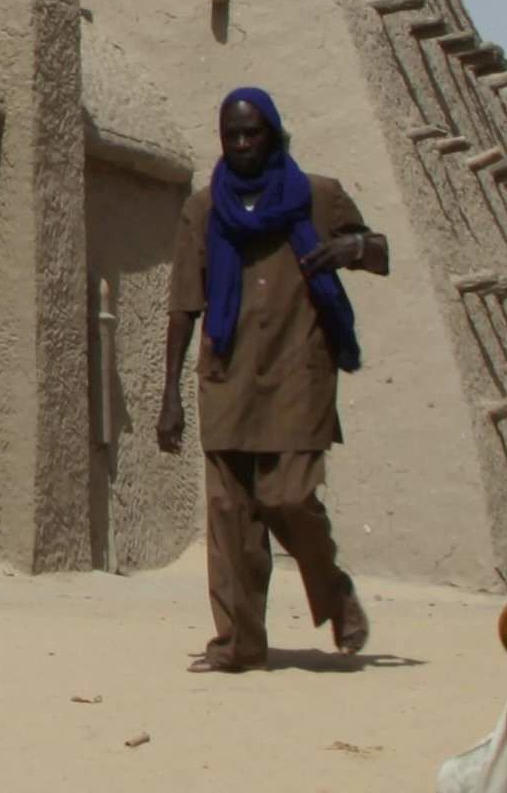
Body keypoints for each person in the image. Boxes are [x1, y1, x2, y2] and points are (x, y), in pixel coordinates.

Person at [152, 85, 389, 670]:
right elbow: (185, 302)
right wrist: (170, 395)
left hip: (297, 373)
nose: (240, 144)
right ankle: (239, 644)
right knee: (231, 515)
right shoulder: (205, 210)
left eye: (251, 133)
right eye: (231, 135)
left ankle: (333, 591)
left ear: (274, 134)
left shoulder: (317, 197)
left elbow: (380, 252)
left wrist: (350, 248)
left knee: (288, 495)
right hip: (227, 374)